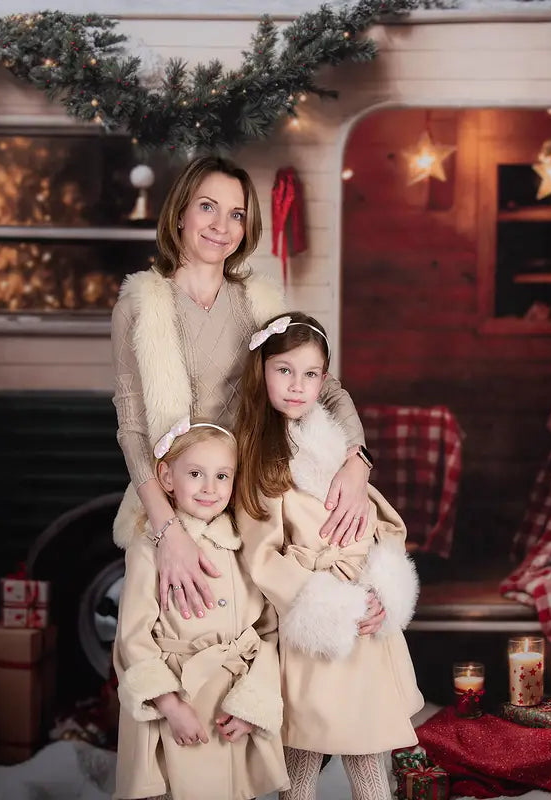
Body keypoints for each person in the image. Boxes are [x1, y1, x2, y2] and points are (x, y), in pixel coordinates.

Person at [110, 155, 380, 625]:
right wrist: (168, 531)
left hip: (257, 492)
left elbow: (325, 386)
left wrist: (358, 462)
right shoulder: (138, 307)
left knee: (272, 640)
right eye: (208, 207)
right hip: (180, 500)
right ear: (180, 214)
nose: (222, 226)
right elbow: (132, 430)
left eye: (236, 214)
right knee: (182, 643)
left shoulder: (258, 302)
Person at [234, 312, 424, 800]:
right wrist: (332, 603)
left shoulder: (337, 446)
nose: (298, 386)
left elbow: (379, 523)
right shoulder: (259, 456)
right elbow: (262, 556)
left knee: (366, 750)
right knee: (304, 750)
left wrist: (380, 592)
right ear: (263, 371)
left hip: (362, 610)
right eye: (284, 370)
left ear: (325, 379)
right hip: (315, 616)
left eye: (311, 374)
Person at [113, 419, 288, 800]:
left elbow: (268, 634)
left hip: (230, 699)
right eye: (195, 473)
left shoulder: (244, 546)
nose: (210, 488)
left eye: (223, 476)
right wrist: (169, 704)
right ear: (167, 476)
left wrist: (251, 704)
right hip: (177, 701)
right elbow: (132, 637)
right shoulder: (149, 548)